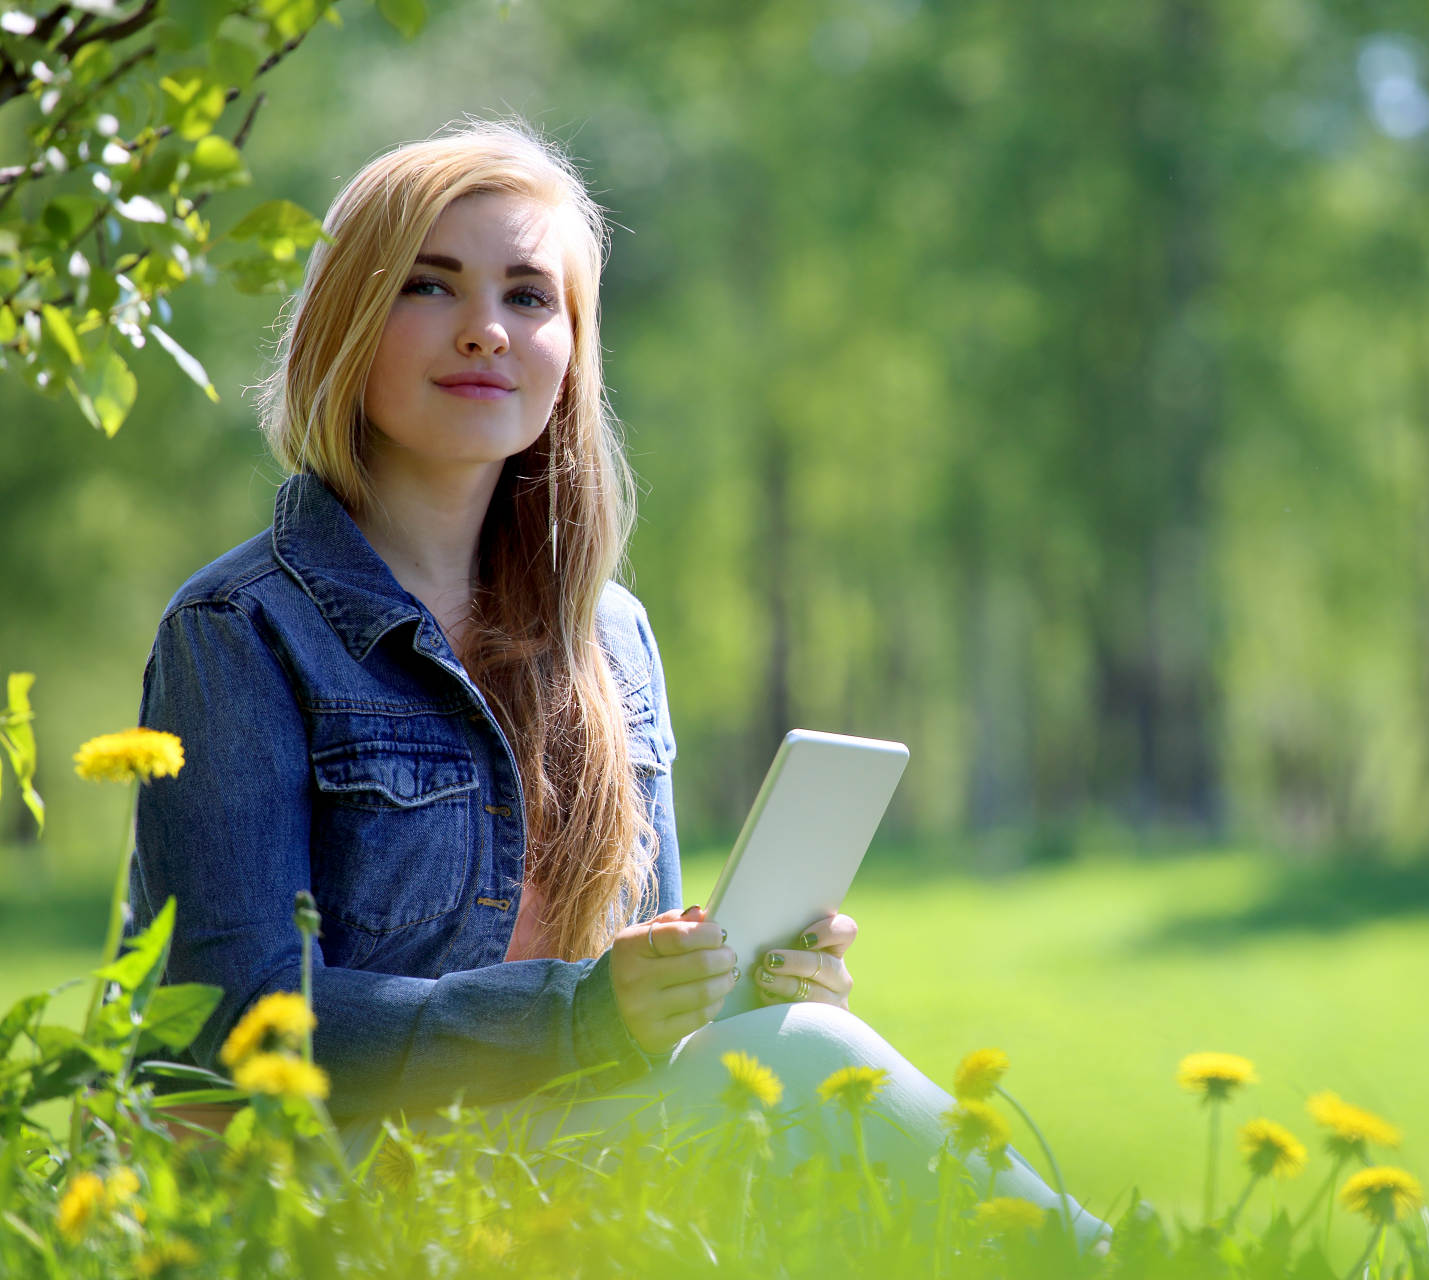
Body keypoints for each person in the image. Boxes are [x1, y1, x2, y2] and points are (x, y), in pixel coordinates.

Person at [128, 120, 1103, 1245]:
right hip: (330, 1186)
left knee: (803, 1077)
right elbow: (237, 1020)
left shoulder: (611, 636)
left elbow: (639, 981)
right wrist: (586, 1015)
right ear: (348, 319)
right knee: (821, 1093)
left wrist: (723, 989)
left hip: (562, 1153)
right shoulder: (242, 628)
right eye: (430, 287)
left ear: (573, 351)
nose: (487, 329)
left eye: (531, 297)